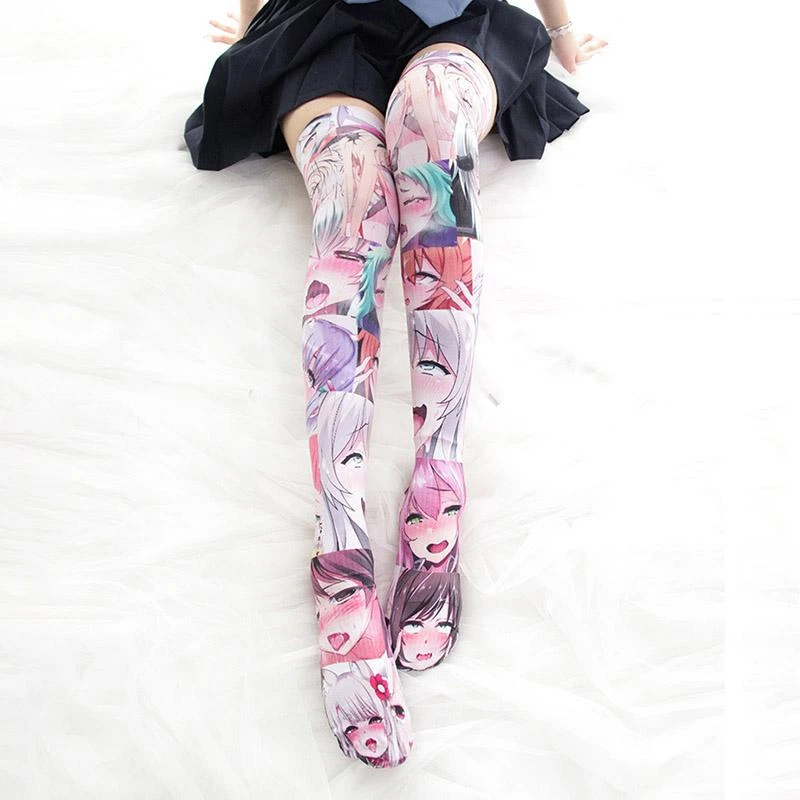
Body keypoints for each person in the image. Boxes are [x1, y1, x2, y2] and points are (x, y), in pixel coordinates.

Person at [185, 0, 607, 768]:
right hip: (324, 27)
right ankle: (340, 553)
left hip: (455, 23)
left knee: (433, 129)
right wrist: (252, 26)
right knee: (355, 202)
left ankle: (437, 479)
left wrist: (563, 30)